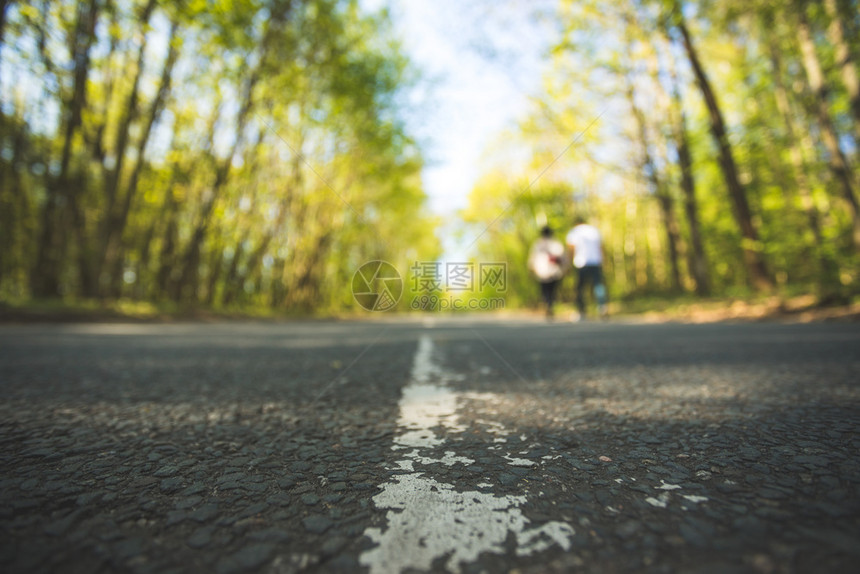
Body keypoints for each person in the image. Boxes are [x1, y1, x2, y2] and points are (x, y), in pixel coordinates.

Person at [566, 216, 608, 320]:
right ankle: (602, 307)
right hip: (596, 262)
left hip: (581, 262)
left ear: (576, 223)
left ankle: (582, 311)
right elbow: (601, 247)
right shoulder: (594, 231)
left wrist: (569, 263)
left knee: (580, 287)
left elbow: (572, 248)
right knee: (598, 285)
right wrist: (603, 260)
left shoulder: (574, 231)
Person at [528, 226, 567, 320]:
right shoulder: (556, 243)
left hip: (542, 272)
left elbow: (532, 258)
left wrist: (531, 269)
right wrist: (566, 268)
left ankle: (548, 304)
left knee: (545, 291)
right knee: (552, 290)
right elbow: (563, 258)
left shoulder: (537, 244)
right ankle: (550, 305)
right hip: (554, 272)